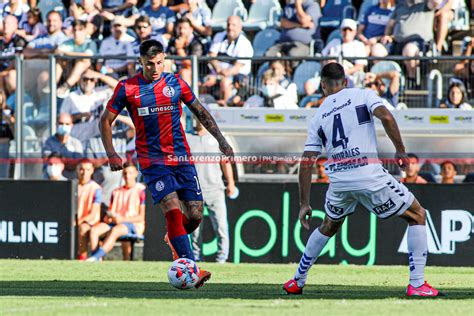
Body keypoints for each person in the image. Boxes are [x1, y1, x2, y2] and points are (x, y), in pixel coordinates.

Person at [282, 62, 443, 297]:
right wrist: (400, 150)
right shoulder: (362, 95)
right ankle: (417, 284)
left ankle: (297, 280)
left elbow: (306, 163)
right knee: (418, 215)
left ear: (323, 86)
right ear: (345, 81)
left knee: (328, 225)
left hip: (339, 182)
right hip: (368, 175)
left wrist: (304, 203)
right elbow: (386, 117)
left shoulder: (318, 116)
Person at [99, 39, 233, 287]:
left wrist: (222, 141)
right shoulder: (127, 88)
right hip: (152, 161)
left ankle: (175, 238)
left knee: (194, 215)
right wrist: (112, 154)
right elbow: (105, 120)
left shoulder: (175, 83)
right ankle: (190, 268)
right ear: (140, 62)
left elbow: (200, 111)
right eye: (150, 64)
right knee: (172, 209)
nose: (156, 68)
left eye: (160, 62)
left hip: (181, 158)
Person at [188, 121, 235, 263]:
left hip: (216, 190)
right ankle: (196, 258)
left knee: (221, 227)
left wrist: (231, 183)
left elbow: (225, 162)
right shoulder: (187, 137)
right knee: (195, 231)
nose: (199, 121)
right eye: (196, 117)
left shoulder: (216, 138)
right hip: (195, 191)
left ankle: (222, 259)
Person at [87, 161, 146, 261]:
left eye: (130, 173)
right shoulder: (116, 191)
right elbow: (110, 212)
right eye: (125, 173)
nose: (127, 176)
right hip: (115, 222)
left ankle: (95, 257)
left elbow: (141, 216)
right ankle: (97, 259)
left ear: (136, 173)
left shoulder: (141, 190)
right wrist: (109, 218)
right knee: (94, 230)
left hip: (133, 224)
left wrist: (122, 219)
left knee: (117, 230)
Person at [205, 16, 253, 103]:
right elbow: (212, 56)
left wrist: (222, 74)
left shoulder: (245, 43)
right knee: (204, 83)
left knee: (225, 83)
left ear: (240, 27)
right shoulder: (219, 36)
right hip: (218, 72)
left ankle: (225, 106)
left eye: (233, 25)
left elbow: (236, 68)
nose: (230, 27)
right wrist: (218, 70)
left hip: (238, 76)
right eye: (228, 24)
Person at [55, 20, 98, 98]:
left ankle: (66, 86)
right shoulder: (67, 42)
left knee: (83, 62)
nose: (76, 33)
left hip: (86, 75)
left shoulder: (90, 43)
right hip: (67, 72)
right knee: (60, 61)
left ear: (85, 31)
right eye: (75, 30)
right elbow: (58, 52)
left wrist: (66, 53)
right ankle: (52, 85)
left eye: (80, 30)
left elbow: (87, 56)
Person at [321, 19, 368, 85]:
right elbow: (322, 57)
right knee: (309, 85)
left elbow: (360, 66)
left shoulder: (359, 45)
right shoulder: (334, 42)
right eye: (344, 30)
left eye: (350, 30)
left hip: (350, 77)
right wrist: (328, 65)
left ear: (355, 32)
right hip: (331, 76)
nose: (347, 32)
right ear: (340, 31)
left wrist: (342, 73)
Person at [42, 113, 84, 179]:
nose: (64, 126)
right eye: (61, 123)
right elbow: (50, 161)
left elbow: (78, 163)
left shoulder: (76, 143)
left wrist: (61, 161)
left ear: (71, 125)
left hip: (71, 181)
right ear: (56, 124)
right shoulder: (48, 142)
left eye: (67, 124)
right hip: (51, 181)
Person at [76, 158, 102, 260]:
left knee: (83, 228)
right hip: (76, 221)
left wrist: (78, 221)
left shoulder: (96, 188)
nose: (84, 172)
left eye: (87, 169)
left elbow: (93, 214)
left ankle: (83, 258)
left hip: (90, 222)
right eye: (81, 169)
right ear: (77, 170)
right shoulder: (72, 185)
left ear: (92, 171)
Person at [167, 17, 205, 85]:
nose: (182, 31)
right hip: (175, 71)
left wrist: (179, 49)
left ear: (191, 29)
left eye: (184, 28)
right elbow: (168, 58)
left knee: (184, 72)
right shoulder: (173, 41)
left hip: (194, 76)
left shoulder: (197, 43)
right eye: (179, 28)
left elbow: (190, 65)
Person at [0, 15, 27, 96]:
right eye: (4, 23)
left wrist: (5, 72)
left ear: (15, 25)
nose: (6, 26)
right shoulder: (1, 42)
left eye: (9, 23)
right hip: (2, 71)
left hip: (14, 71)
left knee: (11, 76)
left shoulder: (19, 40)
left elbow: (18, 58)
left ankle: (13, 105)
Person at [0, 90, 14, 178]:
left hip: (4, 143)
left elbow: (13, 132)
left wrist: (10, 122)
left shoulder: (7, 110)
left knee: (3, 171)